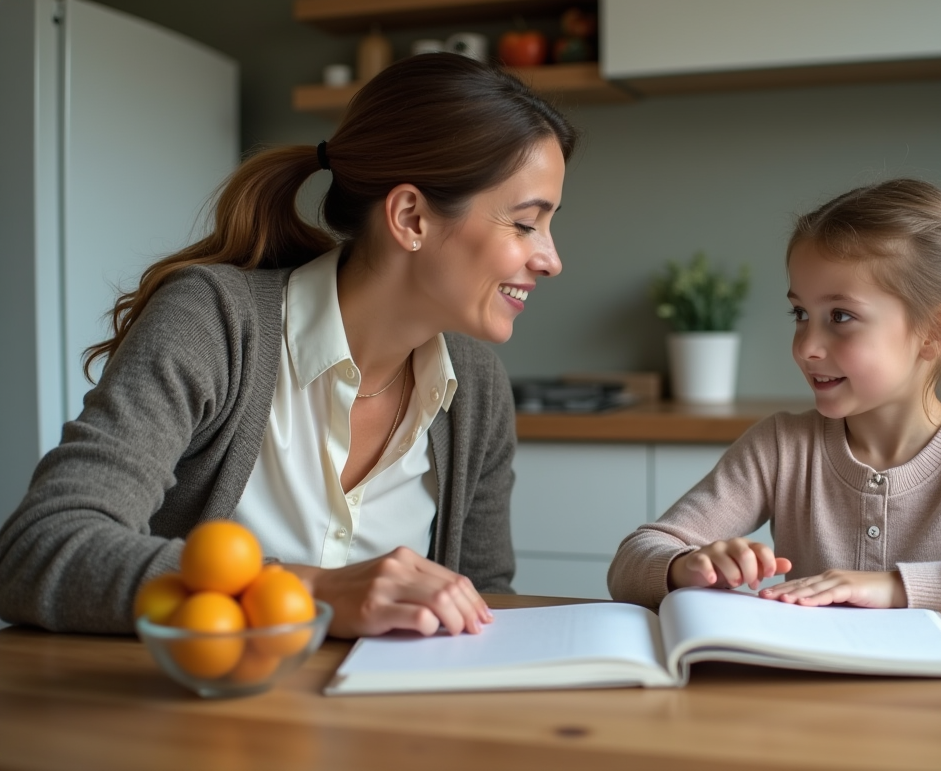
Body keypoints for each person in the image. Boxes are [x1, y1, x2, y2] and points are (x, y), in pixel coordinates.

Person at [0, 53, 577, 638]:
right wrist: (313, 592)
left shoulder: (475, 386)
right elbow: (42, 547)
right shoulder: (213, 322)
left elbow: (482, 604)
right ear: (410, 217)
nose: (550, 260)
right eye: (527, 224)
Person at [608, 179, 941, 627]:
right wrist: (687, 565)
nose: (806, 346)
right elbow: (634, 558)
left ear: (934, 333)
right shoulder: (780, 446)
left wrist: (897, 588)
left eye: (840, 316)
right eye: (800, 314)